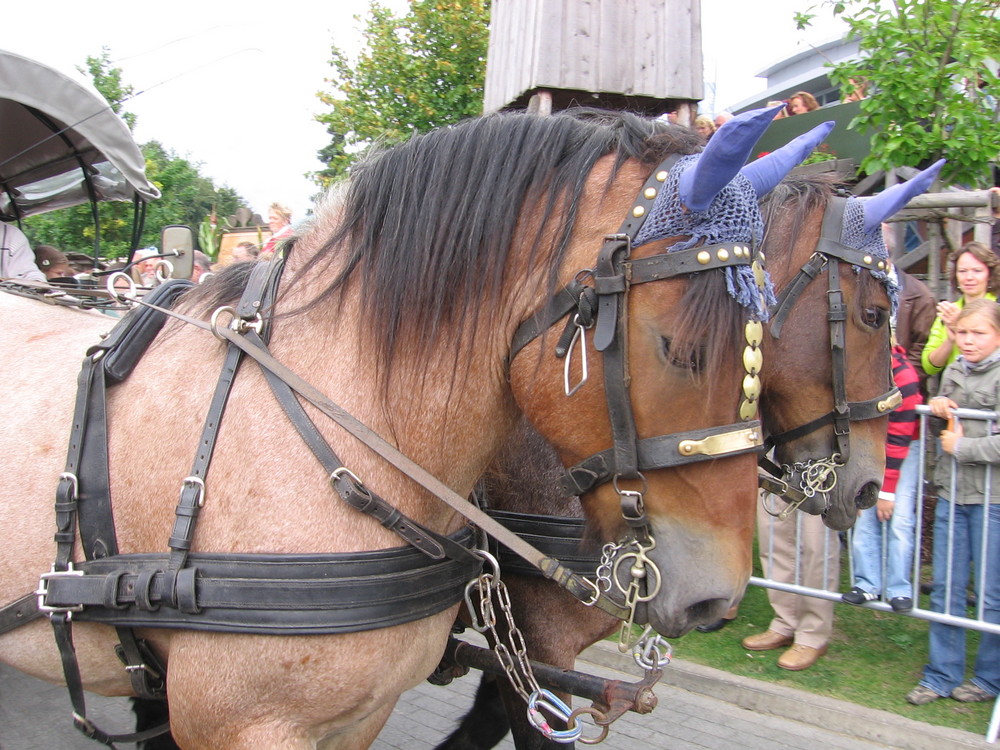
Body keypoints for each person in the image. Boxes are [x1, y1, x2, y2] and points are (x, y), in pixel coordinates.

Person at [906, 298, 1000, 705]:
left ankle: (989, 679)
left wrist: (963, 447)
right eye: (962, 332)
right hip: (952, 494)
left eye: (978, 333)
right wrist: (942, 407)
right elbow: (949, 416)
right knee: (945, 587)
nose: (968, 341)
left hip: (992, 500)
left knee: (992, 592)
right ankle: (940, 675)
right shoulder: (955, 368)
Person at [842, 341, 922, 611]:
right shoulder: (855, 371)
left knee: (898, 520)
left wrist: (887, 491)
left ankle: (899, 588)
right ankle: (867, 584)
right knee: (863, 514)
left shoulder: (904, 376)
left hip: (903, 449)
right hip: (869, 446)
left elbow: (899, 440)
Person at [741, 496, 841, 670]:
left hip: (820, 471)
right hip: (775, 469)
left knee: (816, 544)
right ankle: (785, 623)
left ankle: (813, 635)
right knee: (773, 537)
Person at [922, 241, 1000, 376]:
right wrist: (951, 339)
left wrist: (963, 326)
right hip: (956, 387)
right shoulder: (948, 312)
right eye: (962, 271)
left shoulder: (997, 309)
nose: (969, 277)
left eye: (977, 271)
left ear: (989, 275)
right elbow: (929, 367)